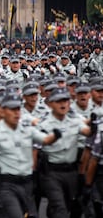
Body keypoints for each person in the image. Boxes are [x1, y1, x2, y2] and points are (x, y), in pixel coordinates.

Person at [0, 93, 61, 218]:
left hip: (26, 182)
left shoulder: (26, 128)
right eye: (12, 109)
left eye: (18, 109)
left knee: (30, 215)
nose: (16, 113)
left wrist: (56, 134)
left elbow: (45, 140)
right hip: (5, 183)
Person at [37, 87, 97, 218]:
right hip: (51, 172)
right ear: (51, 103)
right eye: (58, 101)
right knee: (60, 208)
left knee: (72, 205)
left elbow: (88, 132)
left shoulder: (75, 121)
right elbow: (35, 146)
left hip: (71, 171)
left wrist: (94, 124)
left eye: (65, 101)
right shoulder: (43, 124)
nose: (62, 104)